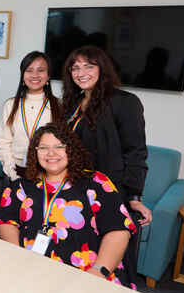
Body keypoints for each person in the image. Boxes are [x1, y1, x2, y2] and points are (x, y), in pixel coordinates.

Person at [0, 123, 137, 288]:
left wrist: (99, 271)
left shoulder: (96, 183)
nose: (51, 153)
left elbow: (118, 231)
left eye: (59, 147)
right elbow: (6, 222)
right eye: (43, 148)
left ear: (71, 150)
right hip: (32, 272)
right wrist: (18, 257)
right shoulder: (21, 186)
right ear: (35, 152)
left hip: (88, 275)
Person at [62, 46, 151, 225]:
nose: (81, 73)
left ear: (102, 69)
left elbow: (135, 152)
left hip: (107, 190)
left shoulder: (125, 102)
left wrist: (134, 196)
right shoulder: (73, 102)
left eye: (88, 66)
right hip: (73, 186)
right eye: (75, 68)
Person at [0, 51, 62, 181]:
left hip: (48, 172)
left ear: (48, 75)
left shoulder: (59, 105)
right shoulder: (11, 105)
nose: (35, 75)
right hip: (16, 171)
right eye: (29, 70)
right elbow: (3, 142)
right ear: (23, 75)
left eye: (40, 70)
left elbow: (62, 144)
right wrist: (13, 174)